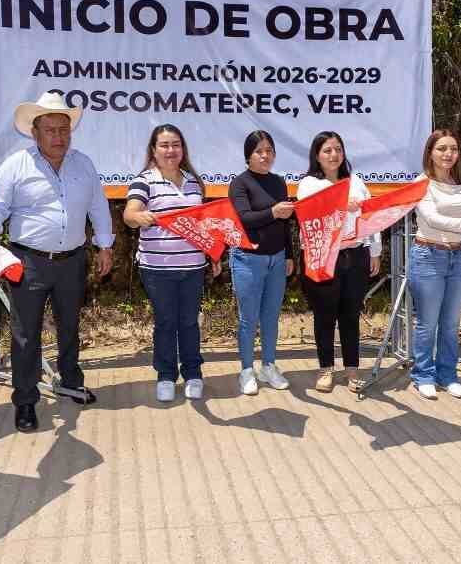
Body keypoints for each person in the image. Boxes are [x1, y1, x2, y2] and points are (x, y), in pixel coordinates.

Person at [0, 91, 113, 432]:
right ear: (34, 133)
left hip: (73, 261)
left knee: (70, 326)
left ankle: (71, 382)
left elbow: (98, 206)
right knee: (25, 334)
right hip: (29, 261)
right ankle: (25, 401)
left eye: (64, 130)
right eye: (50, 130)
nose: (58, 137)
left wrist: (105, 246)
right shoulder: (16, 165)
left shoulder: (84, 164)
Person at [123, 124, 220, 402]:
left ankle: (193, 373)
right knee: (166, 322)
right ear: (153, 150)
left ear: (183, 149)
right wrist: (138, 217)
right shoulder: (144, 181)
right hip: (157, 269)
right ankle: (166, 375)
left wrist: (213, 254)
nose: (170, 150)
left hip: (193, 267)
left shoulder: (193, 182)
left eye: (176, 144)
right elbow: (129, 214)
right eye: (164, 145)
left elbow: (202, 225)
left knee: (189, 322)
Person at [296, 131, 382, 393]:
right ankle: (326, 369)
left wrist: (375, 250)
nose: (334, 155)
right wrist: (344, 205)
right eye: (327, 150)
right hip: (324, 257)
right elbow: (313, 211)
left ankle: (352, 369)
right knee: (325, 315)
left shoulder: (356, 181)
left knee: (350, 315)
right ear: (317, 155)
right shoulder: (309, 184)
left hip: (356, 255)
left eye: (338, 149)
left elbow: (371, 216)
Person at [408, 129, 461, 400]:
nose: (448, 154)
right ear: (430, 152)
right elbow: (432, 218)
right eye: (441, 148)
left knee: (451, 323)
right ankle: (423, 376)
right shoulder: (421, 183)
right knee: (427, 323)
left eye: (453, 149)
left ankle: (448, 375)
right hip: (428, 257)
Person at [227, 130, 295, 395]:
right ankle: (246, 370)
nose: (265, 156)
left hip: (277, 259)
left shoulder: (279, 183)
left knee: (270, 316)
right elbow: (244, 219)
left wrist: (289, 254)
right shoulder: (239, 183)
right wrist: (273, 212)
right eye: (259, 151)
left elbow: (285, 223)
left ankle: (268, 366)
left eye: (269, 151)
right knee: (248, 319)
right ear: (249, 155)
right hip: (248, 259)